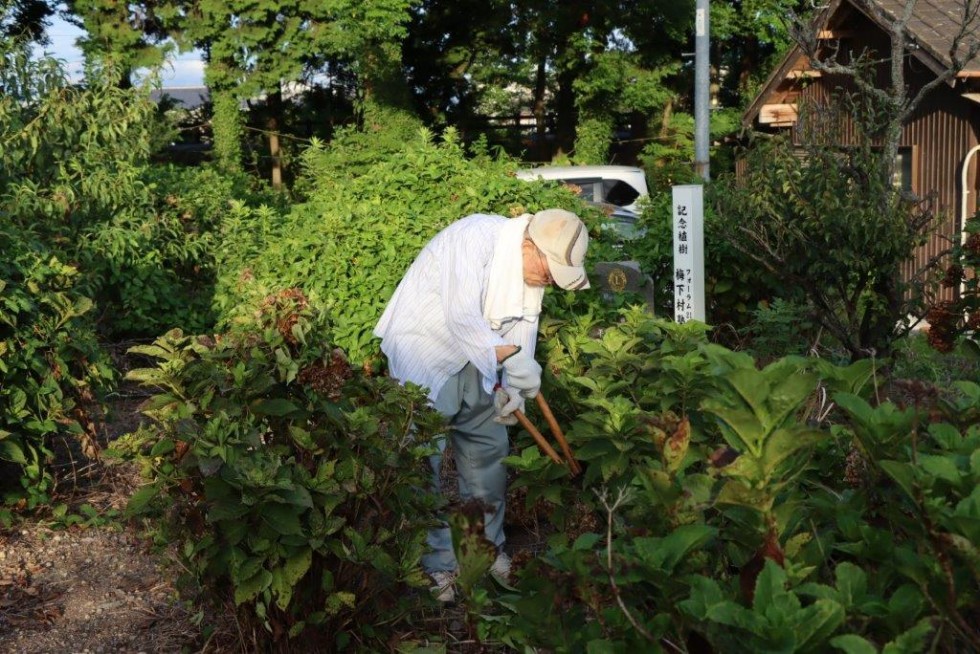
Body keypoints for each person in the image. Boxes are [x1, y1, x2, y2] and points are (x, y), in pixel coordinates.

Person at [374, 208, 590, 602]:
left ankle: (485, 552)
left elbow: (525, 325)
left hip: (484, 359)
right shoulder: (474, 237)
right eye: (548, 270)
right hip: (427, 350)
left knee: (489, 452)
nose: (548, 280)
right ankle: (436, 565)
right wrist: (509, 358)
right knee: (426, 461)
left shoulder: (532, 270)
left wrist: (516, 386)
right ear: (530, 244)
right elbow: (461, 317)